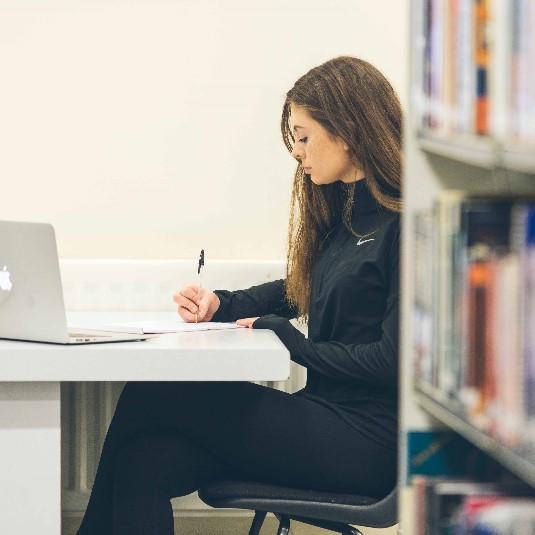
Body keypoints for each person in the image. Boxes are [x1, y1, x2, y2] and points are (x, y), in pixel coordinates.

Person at [76, 55, 403, 535]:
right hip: (324, 419)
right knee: (142, 462)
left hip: (367, 443)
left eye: (304, 135)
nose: (296, 151)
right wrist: (222, 305)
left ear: (349, 129)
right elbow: (297, 290)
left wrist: (294, 344)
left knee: (150, 392)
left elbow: (391, 361)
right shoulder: (348, 218)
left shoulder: (405, 225)